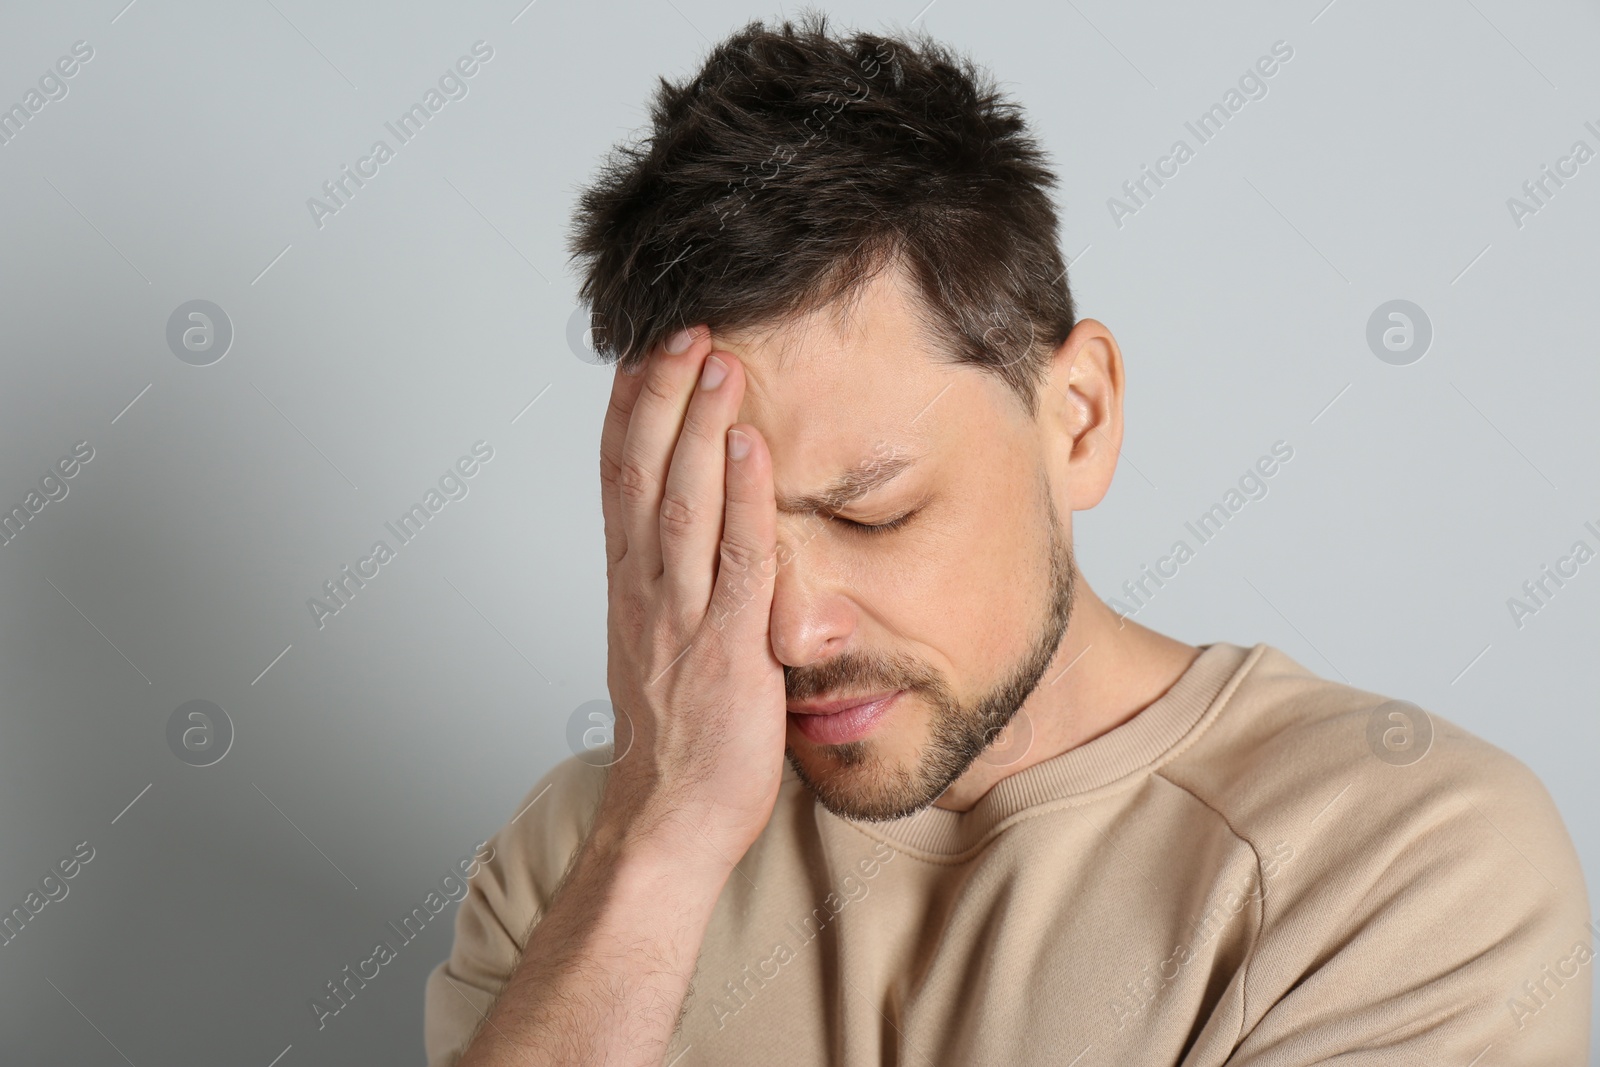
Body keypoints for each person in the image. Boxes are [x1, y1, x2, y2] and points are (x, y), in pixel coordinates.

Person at [423, 12, 1592, 1065]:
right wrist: (658, 842)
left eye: (870, 510)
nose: (790, 623)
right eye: (722, 540)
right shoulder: (583, 862)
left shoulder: (1402, 862)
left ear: (1076, 417)